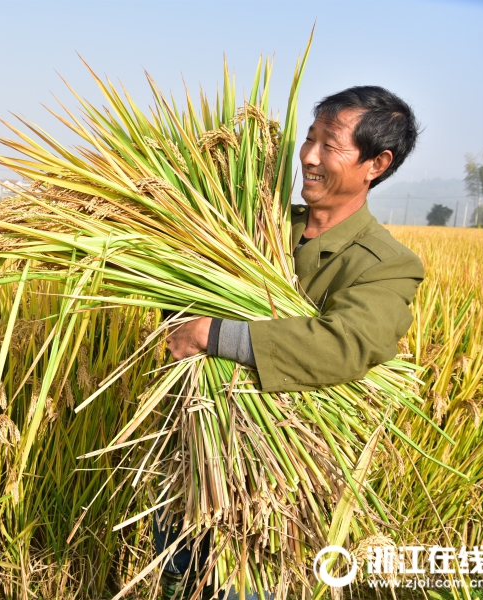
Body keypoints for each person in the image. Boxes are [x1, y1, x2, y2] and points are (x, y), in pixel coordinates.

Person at [160, 86, 424, 599]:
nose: (308, 157)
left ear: (377, 163)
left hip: (266, 498)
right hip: (192, 460)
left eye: (330, 145)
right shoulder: (251, 223)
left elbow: (344, 346)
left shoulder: (385, 263)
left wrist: (212, 333)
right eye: (309, 139)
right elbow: (181, 290)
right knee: (173, 581)